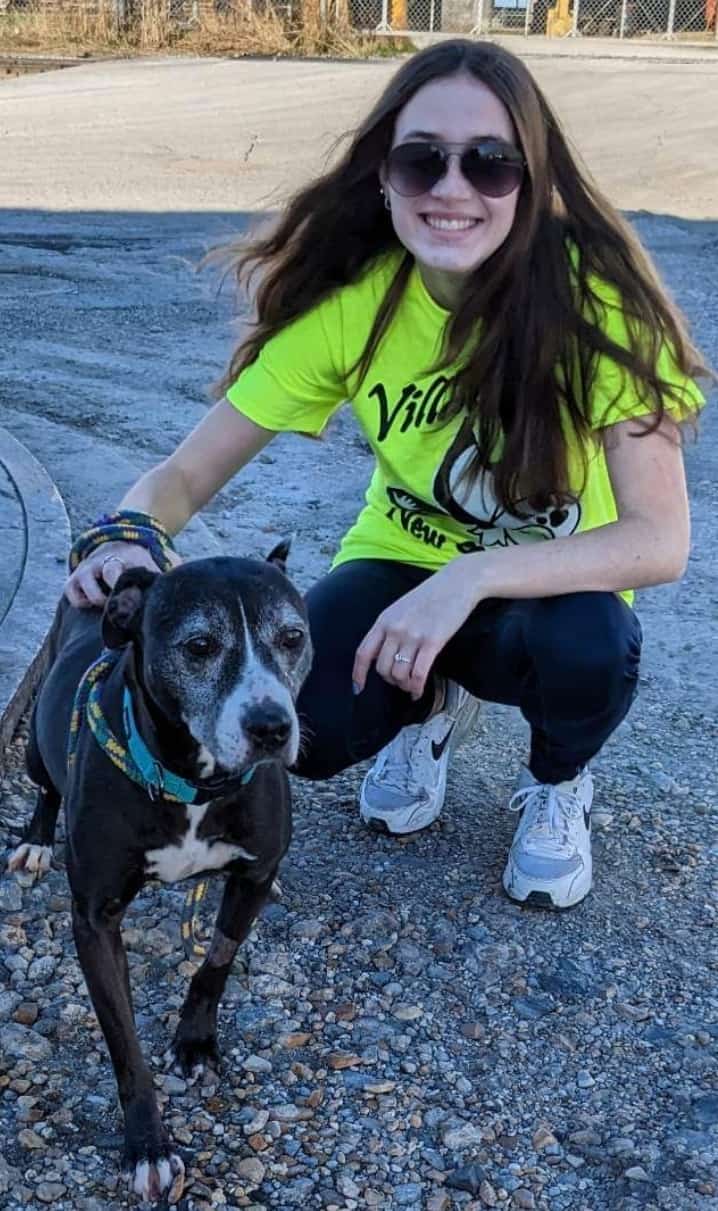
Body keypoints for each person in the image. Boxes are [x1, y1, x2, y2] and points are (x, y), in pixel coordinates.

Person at [65, 39, 707, 910]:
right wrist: (125, 535)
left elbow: (658, 540)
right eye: (421, 161)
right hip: (401, 564)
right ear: (383, 177)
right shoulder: (355, 309)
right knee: (311, 729)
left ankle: (560, 781)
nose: (452, 189)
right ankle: (428, 704)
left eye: (490, 163)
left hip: (551, 589)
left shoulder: (597, 310)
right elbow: (182, 476)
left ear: (534, 178)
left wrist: (470, 578)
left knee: (590, 649)